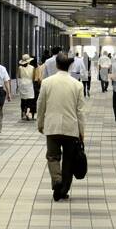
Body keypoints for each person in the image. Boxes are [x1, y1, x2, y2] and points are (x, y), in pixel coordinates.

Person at [37, 52, 87, 202]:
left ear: (57, 65)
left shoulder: (47, 82)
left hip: (52, 127)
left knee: (52, 157)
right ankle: (63, 190)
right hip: (70, 128)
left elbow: (40, 105)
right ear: (70, 66)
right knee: (68, 160)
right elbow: (80, 111)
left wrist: (40, 123)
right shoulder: (77, 85)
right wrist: (81, 132)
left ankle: (57, 180)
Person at [16, 53, 37, 120]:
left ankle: (22, 112)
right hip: (29, 84)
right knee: (30, 99)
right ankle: (28, 112)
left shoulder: (20, 68)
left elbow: (19, 76)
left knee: (23, 99)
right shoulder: (32, 68)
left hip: (22, 84)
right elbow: (33, 77)